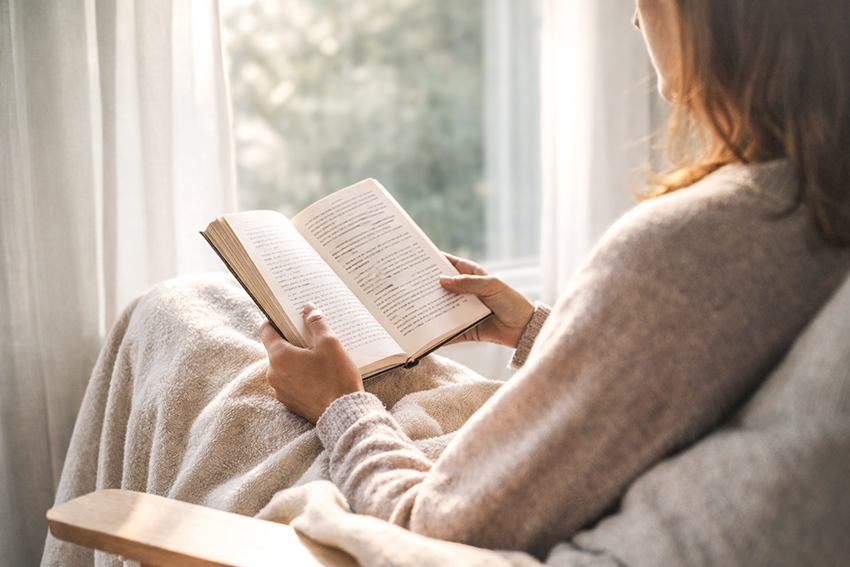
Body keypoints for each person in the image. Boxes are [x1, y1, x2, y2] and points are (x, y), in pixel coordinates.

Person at [258, 0, 850, 559]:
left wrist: (338, 404)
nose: (637, 22)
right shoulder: (817, 205)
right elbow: (705, 368)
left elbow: (436, 529)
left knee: (189, 311)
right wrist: (539, 329)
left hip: (387, 486)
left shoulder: (693, 243)